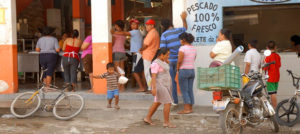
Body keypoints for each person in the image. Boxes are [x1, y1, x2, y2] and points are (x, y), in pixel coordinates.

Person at [159, 11, 187, 105]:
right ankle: (187, 102)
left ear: (163, 26)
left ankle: (174, 101)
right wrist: (183, 19)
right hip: (181, 59)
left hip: (171, 61)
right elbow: (185, 28)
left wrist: (164, 60)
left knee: (172, 81)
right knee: (183, 80)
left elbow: (163, 49)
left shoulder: (164, 35)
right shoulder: (178, 30)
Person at [144, 48, 176, 128]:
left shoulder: (162, 62)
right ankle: (166, 122)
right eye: (167, 55)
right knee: (168, 102)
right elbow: (154, 77)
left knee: (158, 102)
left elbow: (165, 69)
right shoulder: (155, 64)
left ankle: (147, 118)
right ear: (161, 55)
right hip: (160, 85)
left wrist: (166, 61)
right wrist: (153, 88)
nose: (168, 56)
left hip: (165, 84)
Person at [111, 19, 146, 92]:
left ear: (116, 26)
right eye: (132, 24)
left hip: (117, 52)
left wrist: (113, 32)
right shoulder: (125, 35)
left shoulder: (132, 32)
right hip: (123, 52)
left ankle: (118, 87)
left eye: (134, 24)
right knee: (122, 71)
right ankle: (122, 87)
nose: (132, 26)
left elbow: (113, 43)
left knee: (118, 71)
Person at [176, 33, 197, 114]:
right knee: (190, 90)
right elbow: (194, 59)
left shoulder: (182, 48)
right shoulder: (193, 48)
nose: (180, 41)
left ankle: (187, 109)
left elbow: (180, 60)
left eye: (180, 39)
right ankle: (190, 108)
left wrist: (177, 68)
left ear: (184, 40)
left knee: (184, 90)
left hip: (184, 70)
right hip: (192, 70)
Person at [140, 19, 160, 91]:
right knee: (151, 72)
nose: (146, 27)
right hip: (152, 55)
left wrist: (141, 49)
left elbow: (145, 45)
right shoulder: (155, 32)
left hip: (149, 55)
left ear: (152, 25)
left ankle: (150, 88)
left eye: (148, 25)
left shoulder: (152, 33)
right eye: (146, 25)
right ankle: (152, 87)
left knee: (148, 72)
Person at [264, 41, 281, 108]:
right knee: (274, 93)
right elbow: (279, 65)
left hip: (270, 77)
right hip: (277, 76)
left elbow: (265, 67)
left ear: (267, 48)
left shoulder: (268, 56)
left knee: (272, 93)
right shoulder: (278, 56)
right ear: (275, 47)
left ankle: (274, 109)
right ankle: (274, 107)